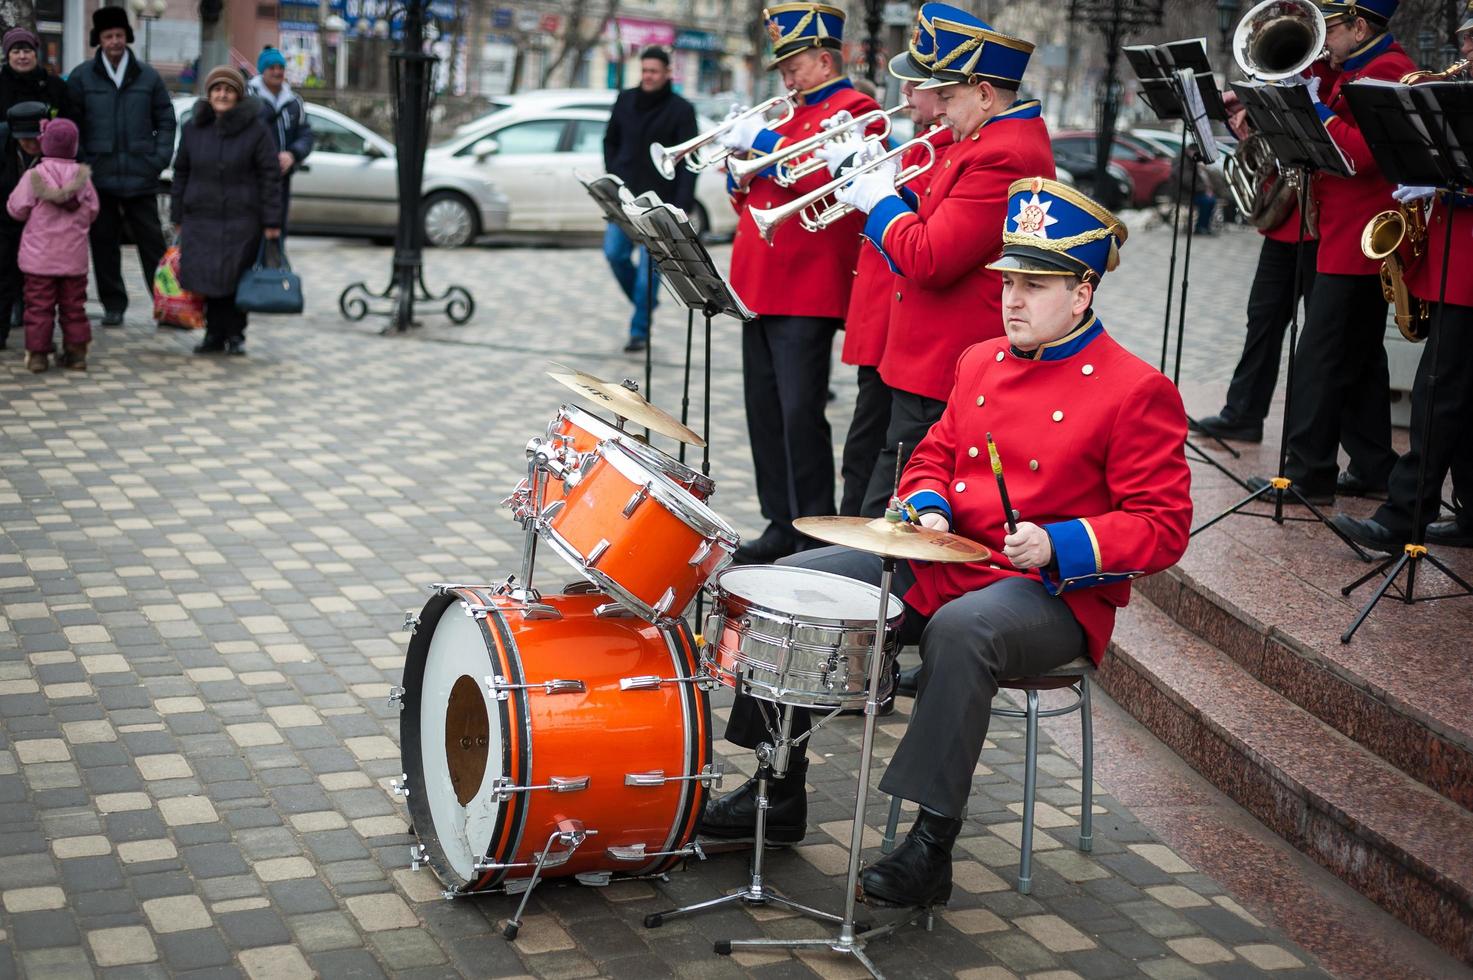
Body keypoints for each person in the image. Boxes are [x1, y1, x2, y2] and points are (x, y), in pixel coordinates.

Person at [700, 179, 1193, 910]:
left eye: (1033, 285)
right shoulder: (979, 360)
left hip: (1049, 595)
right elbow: (931, 453)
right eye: (1007, 283)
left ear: (1082, 294)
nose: (1012, 300)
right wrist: (926, 504)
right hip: (943, 563)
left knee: (962, 633)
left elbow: (1163, 525)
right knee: (796, 579)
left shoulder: (1134, 388)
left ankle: (931, 845)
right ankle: (779, 783)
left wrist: (1060, 543)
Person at [832, 10, 1056, 519]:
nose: (940, 111)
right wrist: (895, 189)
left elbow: (930, 258)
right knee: (876, 502)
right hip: (918, 360)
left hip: (942, 366)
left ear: (983, 93)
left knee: (898, 520)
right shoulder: (978, 140)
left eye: (948, 97)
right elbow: (937, 217)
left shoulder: (1003, 153)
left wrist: (881, 200)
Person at [720, 3, 883, 564]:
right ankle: (777, 520)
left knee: (798, 413)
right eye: (782, 65)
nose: (786, 76)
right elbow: (756, 192)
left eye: (794, 63)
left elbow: (829, 179)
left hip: (806, 288)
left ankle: (811, 528)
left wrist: (762, 145)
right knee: (762, 410)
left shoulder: (858, 109)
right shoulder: (785, 114)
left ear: (823, 57)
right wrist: (738, 166)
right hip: (756, 283)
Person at [1248, 0, 1414, 505]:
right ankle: (1373, 466)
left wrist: (1313, 106)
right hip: (1340, 232)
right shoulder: (1350, 64)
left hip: (1363, 237)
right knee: (1360, 359)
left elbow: (1361, 155)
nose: (1324, 40)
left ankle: (1309, 472)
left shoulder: (1389, 70)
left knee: (1319, 358)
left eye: (1333, 28)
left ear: (1360, 26)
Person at [1331, 9, 1473, 551]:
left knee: (1438, 391)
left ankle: (1402, 517)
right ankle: (1470, 512)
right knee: (1456, 391)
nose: (1467, 54)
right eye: (1466, 41)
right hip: (1453, 255)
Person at [833, 7, 955, 518]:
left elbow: (924, 241)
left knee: (884, 461)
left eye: (916, 86)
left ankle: (851, 558)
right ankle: (836, 544)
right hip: (884, 320)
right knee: (862, 452)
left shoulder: (946, 150)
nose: (904, 95)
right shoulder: (925, 146)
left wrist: (881, 192)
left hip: (909, 325)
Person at [1191, 92, 1318, 443]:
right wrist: (1251, 123)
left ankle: (1317, 443)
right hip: (1285, 224)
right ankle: (1243, 414)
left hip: (1323, 224)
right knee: (1261, 320)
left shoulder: (1327, 77)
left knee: (1322, 340)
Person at [67, 6, 174, 329]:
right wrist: (85, 164)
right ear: (98, 40)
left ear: (127, 37)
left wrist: (158, 160)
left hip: (142, 176)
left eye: (118, 35)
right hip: (100, 179)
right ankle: (114, 305)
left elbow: (166, 121)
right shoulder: (82, 77)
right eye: (107, 36)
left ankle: (166, 304)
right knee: (104, 245)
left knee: (153, 244)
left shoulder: (148, 76)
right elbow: (71, 126)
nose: (114, 41)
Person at [170, 66, 281, 356]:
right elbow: (181, 171)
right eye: (217, 89)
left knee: (233, 278)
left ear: (238, 96)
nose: (222, 94)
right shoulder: (193, 128)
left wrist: (271, 221)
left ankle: (235, 334)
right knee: (205, 277)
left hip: (241, 218)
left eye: (228, 90)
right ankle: (212, 334)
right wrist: (177, 214)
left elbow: (269, 175)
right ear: (209, 94)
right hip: (200, 216)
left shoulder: (256, 130)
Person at [601, 45, 698, 354]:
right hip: (625, 199)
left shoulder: (682, 109)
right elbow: (609, 140)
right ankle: (647, 304)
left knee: (647, 273)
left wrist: (680, 206)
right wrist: (615, 172)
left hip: (661, 205)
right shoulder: (625, 99)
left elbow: (688, 162)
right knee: (614, 253)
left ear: (668, 73)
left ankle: (638, 331)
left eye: (654, 71)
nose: (648, 76)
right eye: (644, 70)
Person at [7, 117, 99, 372]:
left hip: (39, 261)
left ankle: (37, 355)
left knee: (38, 308)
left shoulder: (34, 176)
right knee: (74, 308)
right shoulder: (84, 179)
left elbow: (16, 209)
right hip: (73, 261)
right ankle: (77, 354)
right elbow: (93, 211)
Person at [0, 28, 72, 348]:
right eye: (15, 50)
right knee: (3, 266)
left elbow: (72, 125)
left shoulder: (54, 86)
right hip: (5, 183)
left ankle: (40, 334)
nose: (22, 55)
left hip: (48, 188)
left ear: (36, 52)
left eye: (27, 50)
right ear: (7, 54)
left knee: (43, 273)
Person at [246, 46, 313, 235]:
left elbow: (306, 135)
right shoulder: (248, 98)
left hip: (281, 178)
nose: (277, 72)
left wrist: (292, 154)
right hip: (252, 177)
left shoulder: (294, 102)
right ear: (262, 70)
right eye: (272, 67)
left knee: (277, 231)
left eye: (280, 67)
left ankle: (273, 263)